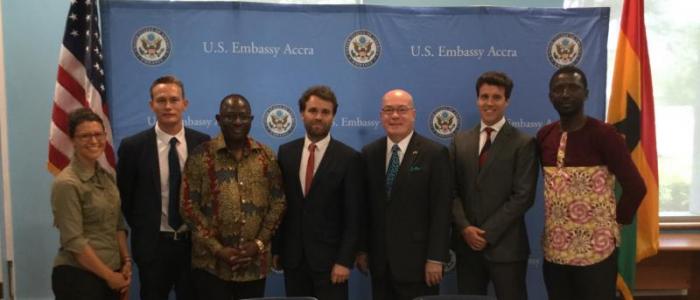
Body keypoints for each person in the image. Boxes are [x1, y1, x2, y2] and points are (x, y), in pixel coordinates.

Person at [537, 65, 646, 300]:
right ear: (550, 96)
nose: (565, 94)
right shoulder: (545, 135)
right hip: (555, 253)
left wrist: (614, 223)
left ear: (586, 93)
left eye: (573, 88)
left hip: (596, 252)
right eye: (559, 89)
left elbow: (636, 187)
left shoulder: (605, 135)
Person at [181, 94, 286, 300]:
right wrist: (218, 250)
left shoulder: (266, 156)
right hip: (211, 266)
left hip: (253, 266)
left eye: (243, 116)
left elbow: (278, 203)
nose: (237, 122)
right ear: (219, 119)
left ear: (251, 120)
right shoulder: (200, 155)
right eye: (230, 116)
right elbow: (188, 206)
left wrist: (258, 245)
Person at [117, 75, 209, 300]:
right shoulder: (133, 147)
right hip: (153, 247)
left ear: (184, 104)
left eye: (174, 100)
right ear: (151, 105)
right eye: (161, 100)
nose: (168, 106)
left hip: (193, 247)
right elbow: (125, 199)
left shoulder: (203, 143)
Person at [450, 71, 538, 300]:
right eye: (484, 96)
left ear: (507, 101)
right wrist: (465, 228)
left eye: (496, 97)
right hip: (467, 246)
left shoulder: (524, 143)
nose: (489, 103)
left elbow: (523, 196)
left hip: (507, 248)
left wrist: (486, 234)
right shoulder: (460, 141)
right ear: (477, 99)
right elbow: (450, 191)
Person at [357, 89, 452, 300]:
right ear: (381, 115)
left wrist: (436, 258)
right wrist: (362, 249)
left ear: (413, 114)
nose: (395, 116)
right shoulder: (369, 153)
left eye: (402, 110)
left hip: (419, 264)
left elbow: (442, 210)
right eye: (388, 110)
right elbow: (365, 209)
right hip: (380, 264)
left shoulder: (434, 153)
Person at [273, 85, 363, 300]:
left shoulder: (349, 158)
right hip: (293, 260)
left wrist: (344, 261)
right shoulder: (286, 153)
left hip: (332, 264)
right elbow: (280, 206)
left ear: (333, 116)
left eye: (325, 112)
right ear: (302, 113)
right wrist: (276, 250)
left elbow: (354, 216)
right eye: (313, 111)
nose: (319, 117)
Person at [51, 108, 131, 300]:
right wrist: (110, 276)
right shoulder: (67, 183)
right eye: (85, 136)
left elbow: (118, 224)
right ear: (73, 140)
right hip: (78, 277)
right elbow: (74, 241)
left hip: (114, 273)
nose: (94, 141)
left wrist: (125, 262)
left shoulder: (107, 176)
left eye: (98, 134)